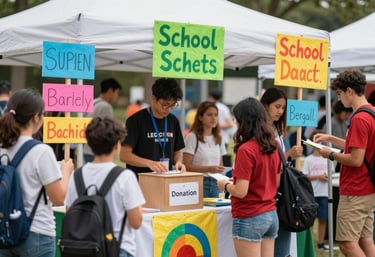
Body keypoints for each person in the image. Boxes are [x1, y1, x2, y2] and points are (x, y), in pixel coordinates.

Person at [0, 88, 74, 257]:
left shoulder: (2, 148)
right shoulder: (41, 151)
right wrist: (66, 171)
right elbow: (58, 198)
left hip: (5, 229)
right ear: (36, 117)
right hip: (37, 232)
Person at [314, 69, 375, 257]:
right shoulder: (371, 112)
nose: (339, 99)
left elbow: (355, 159)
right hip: (368, 187)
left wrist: (330, 155)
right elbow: (358, 148)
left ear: (349, 91)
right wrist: (331, 139)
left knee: (348, 243)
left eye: (339, 94)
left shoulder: (359, 118)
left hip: (355, 188)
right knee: (365, 239)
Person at [65, 116, 145, 257]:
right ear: (116, 145)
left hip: (85, 248)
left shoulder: (76, 176)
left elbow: (70, 213)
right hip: (118, 248)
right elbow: (136, 222)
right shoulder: (125, 177)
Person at [217, 97, 281, 257]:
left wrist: (224, 185)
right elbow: (276, 182)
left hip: (250, 216)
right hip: (271, 214)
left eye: (236, 119)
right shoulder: (274, 145)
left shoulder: (246, 150)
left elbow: (240, 191)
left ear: (243, 122)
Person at [260, 87, 303, 257]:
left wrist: (288, 157)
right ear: (265, 106)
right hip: (268, 191)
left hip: (281, 192)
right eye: (277, 106)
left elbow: (278, 163)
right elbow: (266, 163)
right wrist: (288, 155)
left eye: (283, 108)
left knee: (281, 241)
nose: (280, 111)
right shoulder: (261, 132)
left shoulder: (278, 130)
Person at [120, 78, 186, 176]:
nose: (169, 109)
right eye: (165, 104)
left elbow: (177, 151)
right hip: (141, 181)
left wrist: (178, 162)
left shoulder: (173, 121)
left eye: (173, 105)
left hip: (166, 181)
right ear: (154, 98)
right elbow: (124, 155)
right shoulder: (136, 120)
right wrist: (149, 163)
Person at [183, 101, 227, 197]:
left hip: (216, 183)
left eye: (216, 115)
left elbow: (220, 164)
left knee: (217, 211)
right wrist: (209, 168)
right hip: (198, 183)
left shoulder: (219, 138)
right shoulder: (192, 137)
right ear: (200, 117)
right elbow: (186, 165)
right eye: (209, 115)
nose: (213, 118)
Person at [301, 130, 329, 252]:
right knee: (310, 221)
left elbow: (331, 172)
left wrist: (326, 176)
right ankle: (311, 243)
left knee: (323, 219)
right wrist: (319, 177)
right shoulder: (308, 160)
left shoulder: (327, 159)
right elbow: (305, 175)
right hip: (312, 194)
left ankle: (321, 242)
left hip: (324, 193)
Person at [83, 78, 122, 162]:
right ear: (110, 91)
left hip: (87, 149)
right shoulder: (106, 106)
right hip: (99, 152)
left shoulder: (92, 102)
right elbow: (110, 130)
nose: (117, 96)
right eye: (117, 93)